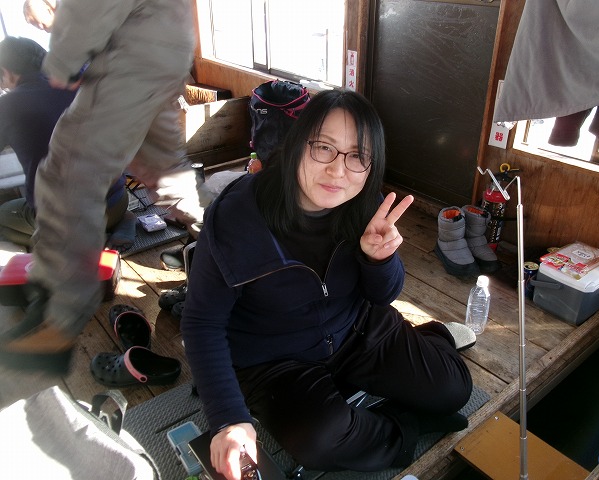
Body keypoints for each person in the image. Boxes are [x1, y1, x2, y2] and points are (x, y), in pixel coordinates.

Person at [181, 89, 474, 480]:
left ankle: (429, 341)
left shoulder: (365, 205)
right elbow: (201, 323)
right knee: (321, 440)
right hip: (275, 361)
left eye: (357, 156)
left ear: (370, 165)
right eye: (324, 148)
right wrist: (229, 418)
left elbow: (383, 296)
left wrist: (379, 259)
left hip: (355, 328)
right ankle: (406, 428)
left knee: (454, 389)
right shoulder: (236, 218)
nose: (339, 171)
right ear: (297, 145)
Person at [0, 0, 203, 373]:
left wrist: (65, 57)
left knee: (64, 180)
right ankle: (234, 250)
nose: (39, 26)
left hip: (130, 63)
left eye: (36, 18)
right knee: (168, 174)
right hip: (158, 56)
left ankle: (54, 324)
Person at [0, 36, 132, 250]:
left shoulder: (7, 106)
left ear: (6, 72)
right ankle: (121, 221)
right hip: (117, 201)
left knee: (4, 215)